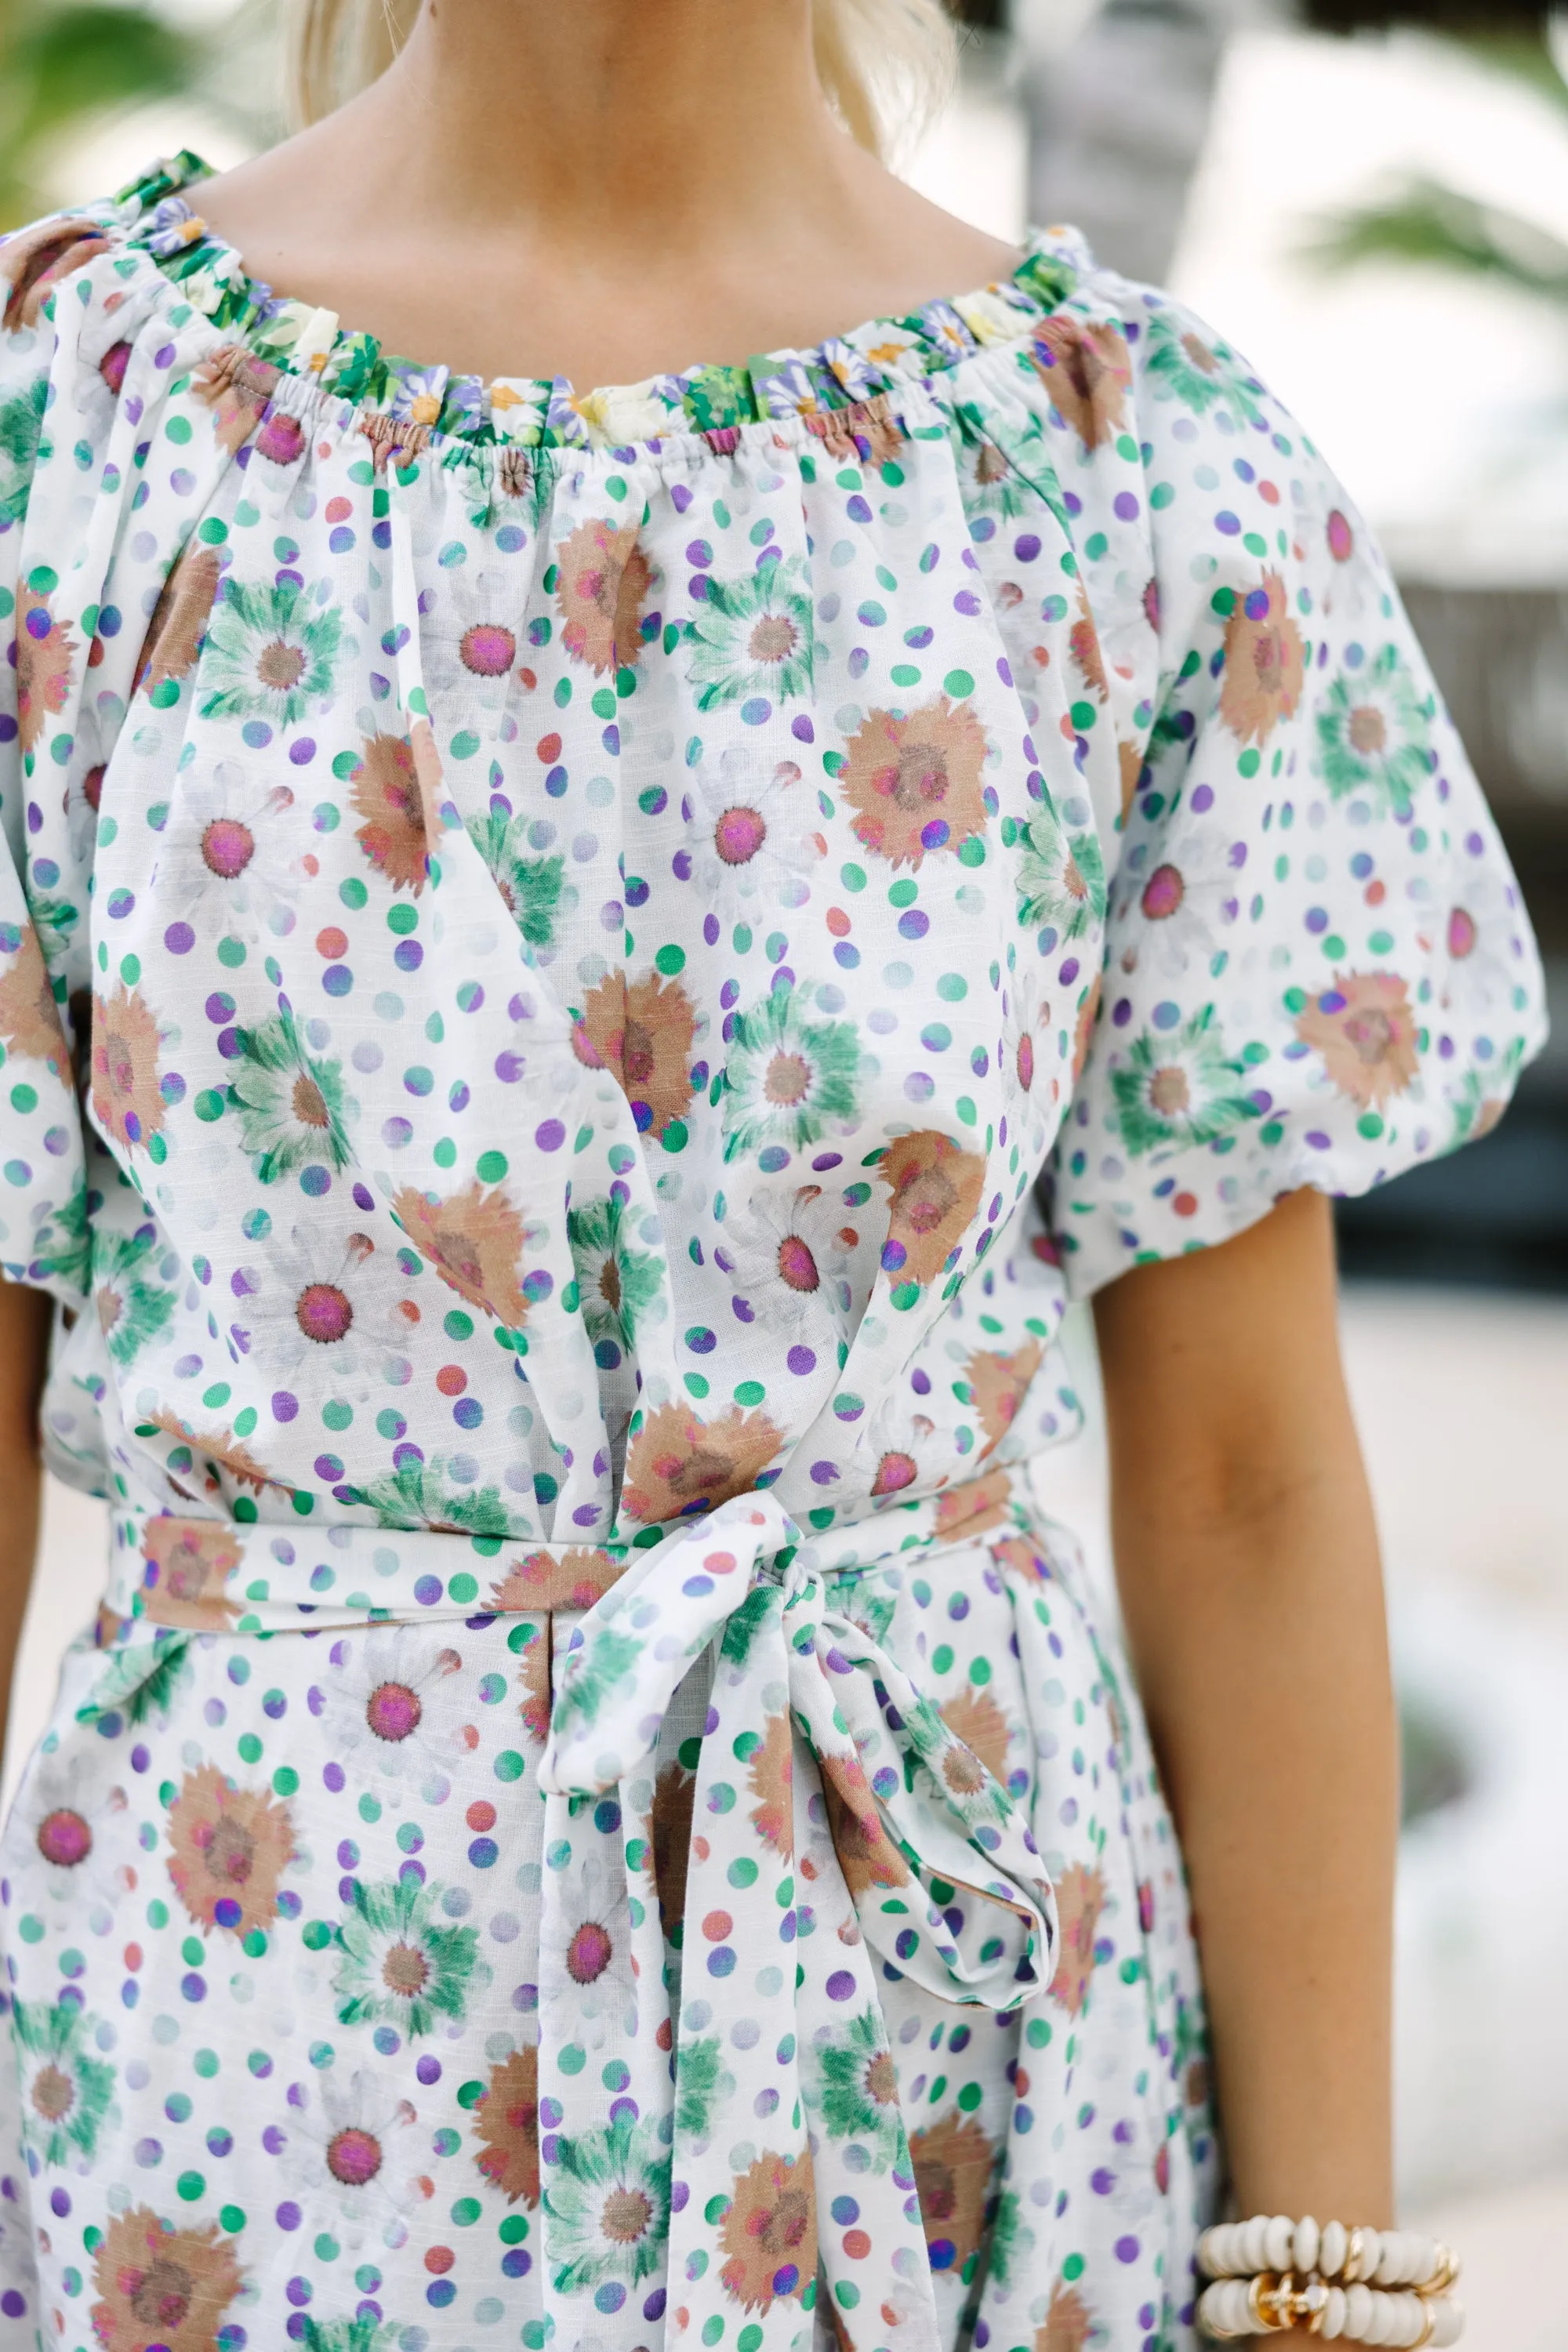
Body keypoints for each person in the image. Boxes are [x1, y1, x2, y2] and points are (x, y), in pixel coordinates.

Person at [0, 3, 1541, 2346]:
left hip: (952, 2063)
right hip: (238, 2065)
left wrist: (1316, 2296)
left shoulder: (1135, 470)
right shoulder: (67, 429)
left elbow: (1242, 1482)